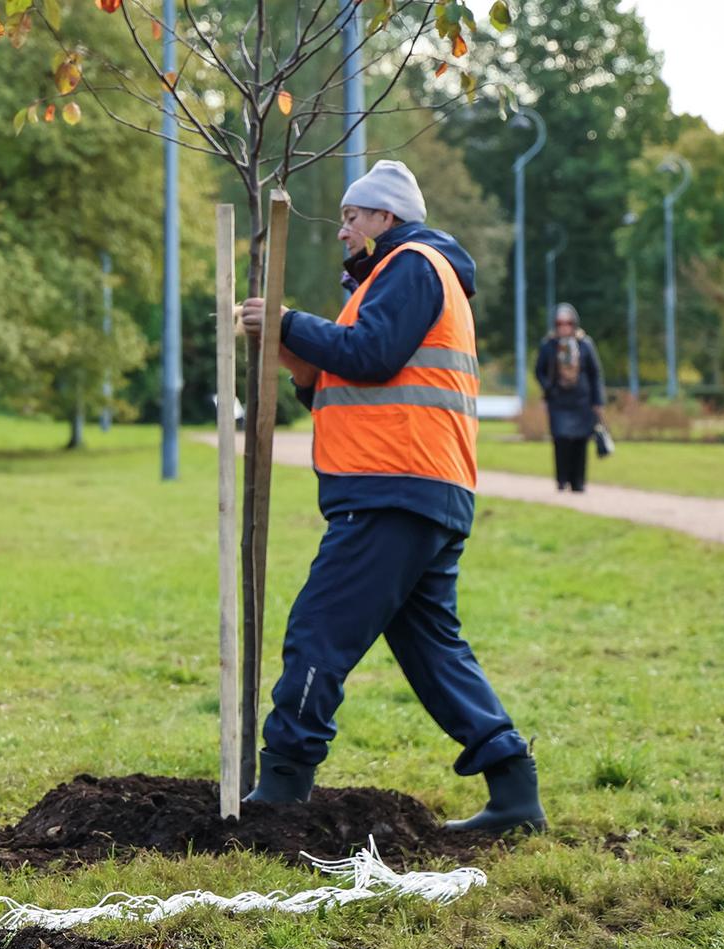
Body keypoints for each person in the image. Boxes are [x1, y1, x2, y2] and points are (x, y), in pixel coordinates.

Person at [237, 160, 543, 834]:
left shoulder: (413, 264)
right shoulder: (395, 276)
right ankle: (514, 790)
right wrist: (289, 351)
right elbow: (342, 377)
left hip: (395, 488)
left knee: (320, 629)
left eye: (352, 217)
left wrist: (288, 321)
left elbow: (372, 354)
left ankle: (283, 784)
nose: (342, 230)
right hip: (417, 486)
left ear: (385, 218)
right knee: (433, 650)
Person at [535, 303, 604, 492]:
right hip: (558, 400)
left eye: (567, 323)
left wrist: (598, 402)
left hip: (582, 401)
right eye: (560, 323)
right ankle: (562, 479)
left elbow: (595, 374)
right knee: (561, 440)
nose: (564, 326)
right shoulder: (549, 345)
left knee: (581, 441)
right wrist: (548, 387)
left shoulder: (585, 344)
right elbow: (539, 370)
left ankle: (578, 482)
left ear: (574, 323)